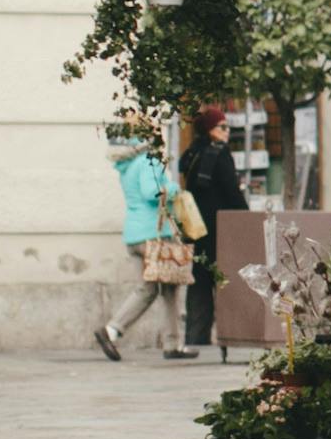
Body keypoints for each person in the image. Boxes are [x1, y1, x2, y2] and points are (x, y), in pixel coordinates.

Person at [95, 114, 182, 360]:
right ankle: (171, 344)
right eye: (155, 129)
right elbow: (152, 192)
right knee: (167, 287)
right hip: (154, 234)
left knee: (150, 288)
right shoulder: (148, 159)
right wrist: (174, 189)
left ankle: (113, 331)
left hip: (134, 235)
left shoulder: (127, 162)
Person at [175, 106, 252, 357]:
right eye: (222, 126)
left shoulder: (192, 153)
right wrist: (247, 217)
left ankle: (196, 339)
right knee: (226, 282)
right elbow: (231, 190)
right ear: (210, 129)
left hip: (197, 228)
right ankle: (233, 336)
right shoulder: (218, 153)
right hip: (221, 228)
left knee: (200, 281)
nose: (227, 131)